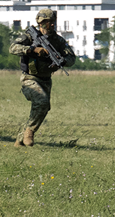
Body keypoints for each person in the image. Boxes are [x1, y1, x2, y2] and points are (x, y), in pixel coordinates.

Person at [10, 8, 76, 147]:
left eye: (53, 22)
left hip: (46, 80)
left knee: (42, 108)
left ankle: (20, 139)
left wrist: (61, 62)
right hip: (29, 78)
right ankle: (29, 132)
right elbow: (13, 48)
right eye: (48, 22)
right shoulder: (29, 37)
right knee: (42, 102)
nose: (51, 25)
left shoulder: (58, 40)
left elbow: (71, 57)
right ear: (41, 23)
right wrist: (32, 49)